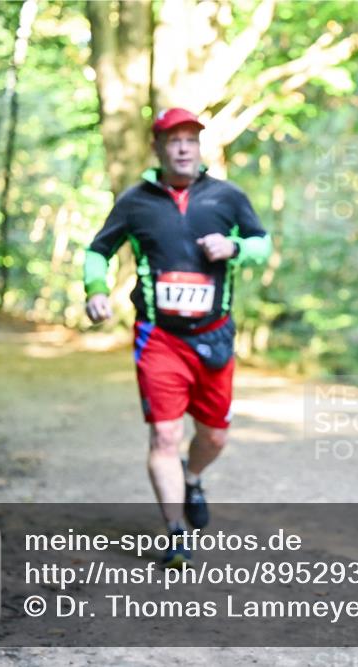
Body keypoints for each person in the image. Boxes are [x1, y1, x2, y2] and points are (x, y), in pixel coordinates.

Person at [84, 107, 272, 568]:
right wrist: (96, 291)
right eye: (174, 140)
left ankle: (193, 477)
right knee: (164, 437)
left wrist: (236, 248)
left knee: (215, 437)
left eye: (191, 139)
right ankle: (175, 533)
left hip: (214, 337)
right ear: (159, 147)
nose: (184, 147)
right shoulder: (135, 201)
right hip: (159, 338)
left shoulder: (227, 197)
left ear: (199, 147)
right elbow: (97, 251)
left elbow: (262, 244)